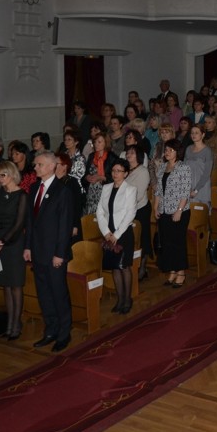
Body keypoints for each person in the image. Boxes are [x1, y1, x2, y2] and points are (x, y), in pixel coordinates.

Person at [24, 151, 75, 352]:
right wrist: (27, 246)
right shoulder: (35, 187)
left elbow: (64, 226)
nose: (35, 167)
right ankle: (51, 330)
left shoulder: (62, 191)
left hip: (54, 253)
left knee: (58, 293)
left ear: (52, 166)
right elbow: (30, 221)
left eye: (39, 164)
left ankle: (64, 333)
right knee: (44, 294)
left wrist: (60, 254)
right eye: (35, 164)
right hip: (37, 251)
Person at [0, 161, 28, 339]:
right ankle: (9, 324)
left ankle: (16, 325)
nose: (0, 178)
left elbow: (19, 224)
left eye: (2, 175)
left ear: (12, 174)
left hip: (14, 243)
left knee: (15, 285)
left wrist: (2, 241)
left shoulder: (22, 195)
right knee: (5, 284)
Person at [98, 160, 137, 314]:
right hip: (109, 232)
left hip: (124, 233)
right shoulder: (106, 188)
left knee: (124, 267)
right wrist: (106, 232)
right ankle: (119, 299)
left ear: (126, 173)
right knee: (115, 267)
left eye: (119, 171)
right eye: (114, 170)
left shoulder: (130, 189)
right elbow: (100, 211)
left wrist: (117, 234)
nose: (115, 173)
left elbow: (130, 213)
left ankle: (127, 299)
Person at [154, 138, 193, 289]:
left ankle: (181, 272)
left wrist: (179, 211)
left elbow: (185, 192)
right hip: (164, 209)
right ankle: (172, 270)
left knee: (177, 241)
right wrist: (156, 207)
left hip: (179, 210)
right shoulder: (162, 167)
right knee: (166, 242)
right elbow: (158, 190)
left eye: (171, 150)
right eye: (166, 150)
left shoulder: (184, 168)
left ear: (178, 152)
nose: (167, 152)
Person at [124, 145, 152, 281]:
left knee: (143, 238)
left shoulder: (142, 171)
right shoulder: (124, 171)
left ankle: (142, 267)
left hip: (140, 209)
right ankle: (131, 266)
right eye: (128, 152)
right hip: (126, 210)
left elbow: (139, 194)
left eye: (132, 153)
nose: (128, 155)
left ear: (138, 156)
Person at [83, 133, 116, 215]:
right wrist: (87, 177)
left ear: (106, 143)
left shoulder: (112, 157)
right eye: (95, 142)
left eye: (99, 142)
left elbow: (115, 178)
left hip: (105, 193)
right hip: (91, 193)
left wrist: (101, 177)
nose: (96, 144)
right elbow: (85, 174)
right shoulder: (91, 156)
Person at [183, 124, 213, 205]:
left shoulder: (207, 151)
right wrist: (187, 187)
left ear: (203, 134)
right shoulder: (188, 149)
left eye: (196, 133)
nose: (193, 135)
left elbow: (206, 174)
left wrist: (196, 190)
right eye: (192, 133)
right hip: (189, 186)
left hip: (202, 187)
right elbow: (184, 169)